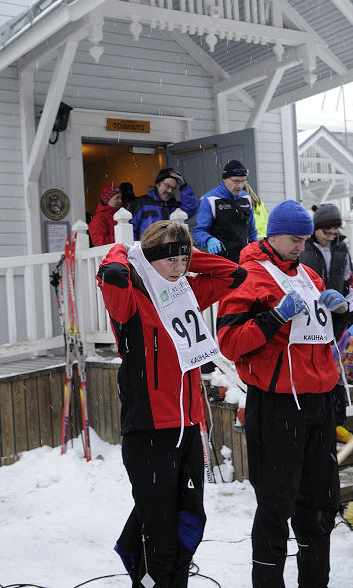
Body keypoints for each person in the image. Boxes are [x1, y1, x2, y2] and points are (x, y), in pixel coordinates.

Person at [96, 220, 247, 587]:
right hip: (149, 431)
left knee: (190, 524)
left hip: (189, 427)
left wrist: (188, 257)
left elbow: (234, 274)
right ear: (147, 257)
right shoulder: (130, 295)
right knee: (158, 537)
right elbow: (111, 273)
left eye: (184, 260)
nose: (179, 269)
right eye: (171, 260)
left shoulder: (186, 291)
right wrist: (129, 252)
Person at [216, 200, 349, 588]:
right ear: (272, 234)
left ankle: (315, 581)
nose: (300, 247)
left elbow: (322, 338)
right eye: (294, 239)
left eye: (305, 240)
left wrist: (339, 314)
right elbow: (229, 342)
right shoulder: (248, 276)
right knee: (275, 505)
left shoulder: (309, 274)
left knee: (320, 503)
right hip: (276, 404)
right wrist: (275, 315)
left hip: (318, 401)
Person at [300, 203, 353, 444]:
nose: (331, 237)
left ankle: (337, 423)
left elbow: (349, 280)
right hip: (312, 315)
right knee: (318, 367)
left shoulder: (341, 247)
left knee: (337, 369)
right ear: (316, 229)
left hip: (338, 313)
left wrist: (349, 308)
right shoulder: (303, 248)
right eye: (327, 232)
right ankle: (318, 423)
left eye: (335, 233)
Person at [193, 159, 257, 263]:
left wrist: (255, 248)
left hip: (245, 259)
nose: (240, 186)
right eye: (236, 181)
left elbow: (252, 231)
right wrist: (208, 240)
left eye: (243, 181)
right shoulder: (210, 199)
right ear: (225, 179)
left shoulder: (246, 198)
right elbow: (199, 231)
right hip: (221, 260)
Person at [127, 168, 198, 240]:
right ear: (158, 184)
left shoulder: (174, 206)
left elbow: (190, 208)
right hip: (146, 248)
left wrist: (184, 186)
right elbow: (130, 229)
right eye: (167, 186)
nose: (170, 191)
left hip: (170, 248)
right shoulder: (140, 203)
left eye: (173, 188)